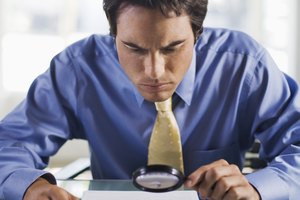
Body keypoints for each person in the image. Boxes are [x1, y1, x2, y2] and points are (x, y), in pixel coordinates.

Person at [0, 0, 299, 199]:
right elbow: (10, 143)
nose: (154, 72)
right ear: (113, 33)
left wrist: (257, 189)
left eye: (173, 47)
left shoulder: (244, 66)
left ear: (197, 33)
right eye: (133, 47)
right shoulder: (79, 69)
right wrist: (29, 185)